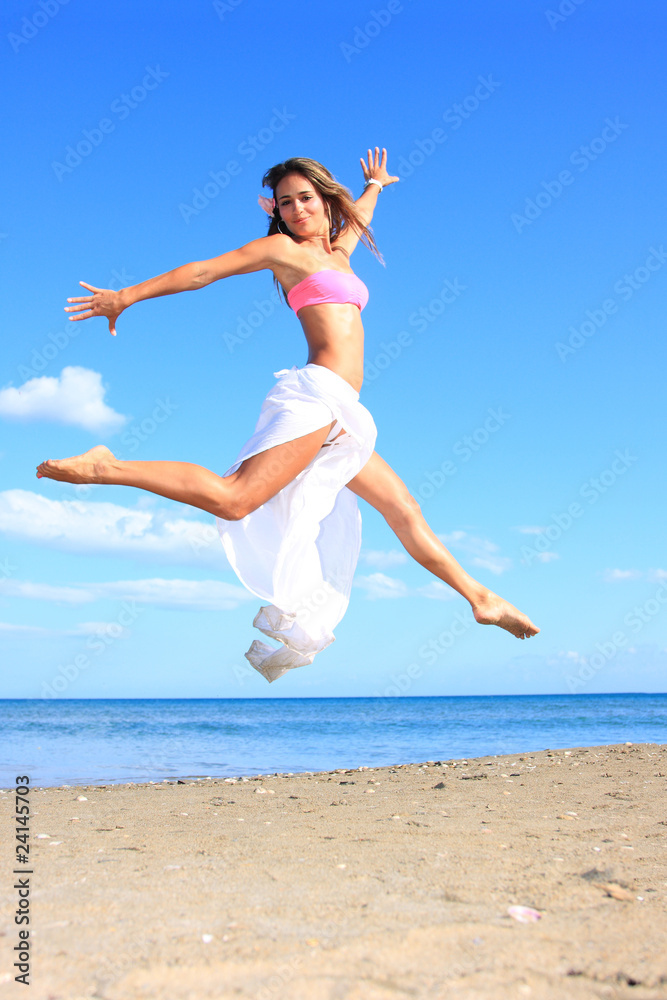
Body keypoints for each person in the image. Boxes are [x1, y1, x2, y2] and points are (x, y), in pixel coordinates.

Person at [37, 148, 539, 682]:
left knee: (403, 507)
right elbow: (204, 271)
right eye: (285, 203)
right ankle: (104, 467)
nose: (297, 209)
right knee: (235, 499)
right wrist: (126, 297)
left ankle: (480, 597)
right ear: (276, 213)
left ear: (326, 202)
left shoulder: (340, 253)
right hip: (315, 398)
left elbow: (358, 219)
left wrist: (376, 186)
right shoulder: (284, 251)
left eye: (305, 198)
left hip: (343, 411)